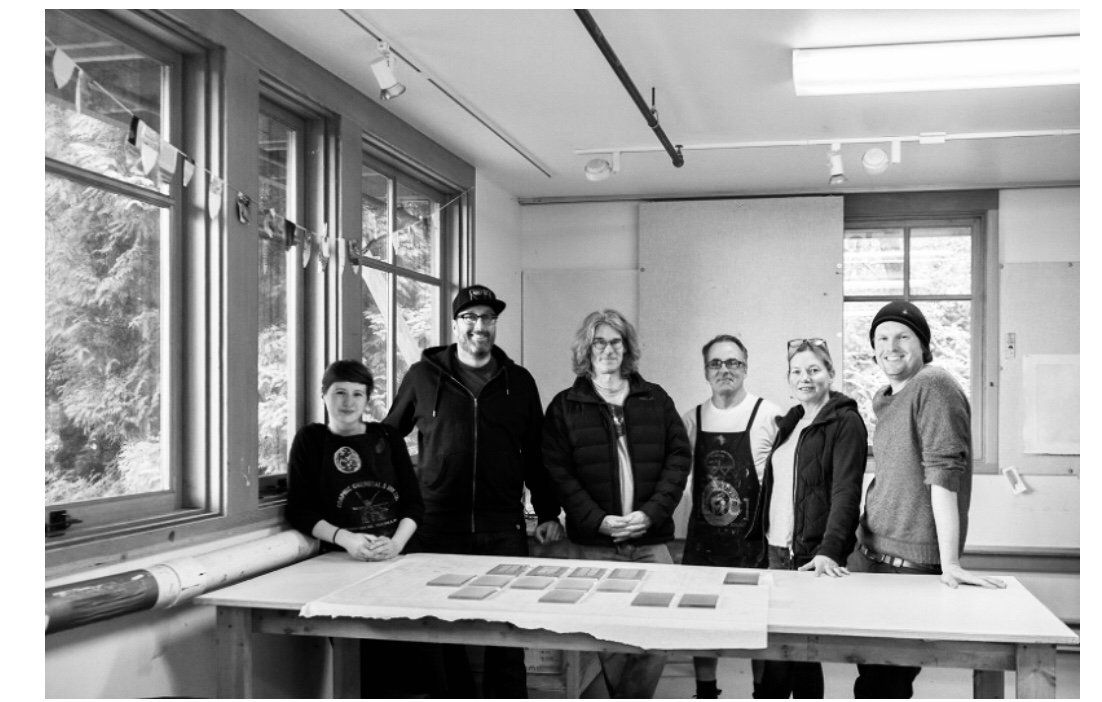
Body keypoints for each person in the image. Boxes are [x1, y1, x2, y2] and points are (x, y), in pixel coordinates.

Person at [384, 284, 563, 699]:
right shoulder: (422, 377)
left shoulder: (518, 382)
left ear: (495, 324)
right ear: (455, 324)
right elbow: (388, 440)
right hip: (437, 527)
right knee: (442, 633)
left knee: (506, 631)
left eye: (487, 318)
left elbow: (537, 453)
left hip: (502, 528)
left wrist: (548, 511)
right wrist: (396, 509)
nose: (479, 326)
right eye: (470, 317)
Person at [851, 301, 1005, 699]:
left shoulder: (934, 386)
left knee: (884, 685)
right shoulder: (887, 397)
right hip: (870, 555)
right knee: (871, 679)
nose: (891, 347)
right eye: (881, 338)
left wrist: (949, 562)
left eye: (903, 336)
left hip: (909, 564)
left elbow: (944, 478)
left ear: (923, 344)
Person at [542, 309, 691, 699]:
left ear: (626, 348)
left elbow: (679, 458)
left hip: (650, 539)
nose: (607, 350)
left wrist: (651, 514)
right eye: (599, 342)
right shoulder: (565, 406)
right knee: (606, 637)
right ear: (586, 349)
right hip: (596, 544)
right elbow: (557, 472)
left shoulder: (655, 398)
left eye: (615, 341)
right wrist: (597, 520)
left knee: (660, 634)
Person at [285, 359, 424, 697]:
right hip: (341, 566)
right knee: (361, 664)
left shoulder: (388, 437)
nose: (348, 402)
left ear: (367, 399)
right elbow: (299, 510)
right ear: (324, 395)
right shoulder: (310, 440)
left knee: (414, 661)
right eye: (340, 393)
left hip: (398, 563)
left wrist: (396, 545)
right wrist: (346, 539)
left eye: (357, 394)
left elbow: (414, 504)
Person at [751, 338, 867, 698]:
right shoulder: (792, 422)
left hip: (811, 555)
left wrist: (830, 551)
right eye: (797, 371)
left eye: (814, 370)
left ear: (830, 373)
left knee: (798, 653)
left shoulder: (845, 422)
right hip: (775, 550)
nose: (805, 378)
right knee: (780, 649)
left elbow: (846, 492)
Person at [680, 334, 781, 699]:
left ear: (746, 368)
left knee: (757, 624)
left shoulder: (769, 415)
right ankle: (706, 691)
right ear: (705, 370)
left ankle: (761, 693)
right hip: (703, 543)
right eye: (716, 363)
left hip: (752, 543)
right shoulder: (691, 419)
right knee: (701, 623)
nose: (725, 370)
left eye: (733, 362)